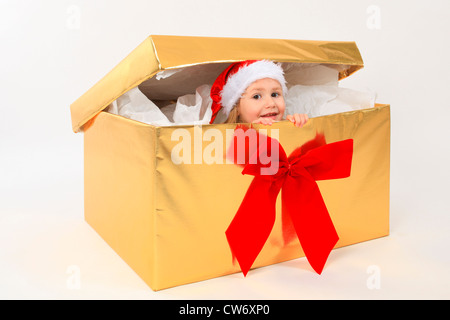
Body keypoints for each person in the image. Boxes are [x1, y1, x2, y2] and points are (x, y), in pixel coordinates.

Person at [210, 60, 309, 127]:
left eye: (275, 94)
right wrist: (255, 134)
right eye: (256, 96)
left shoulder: (286, 124)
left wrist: (298, 125)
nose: (271, 104)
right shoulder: (228, 136)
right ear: (237, 108)